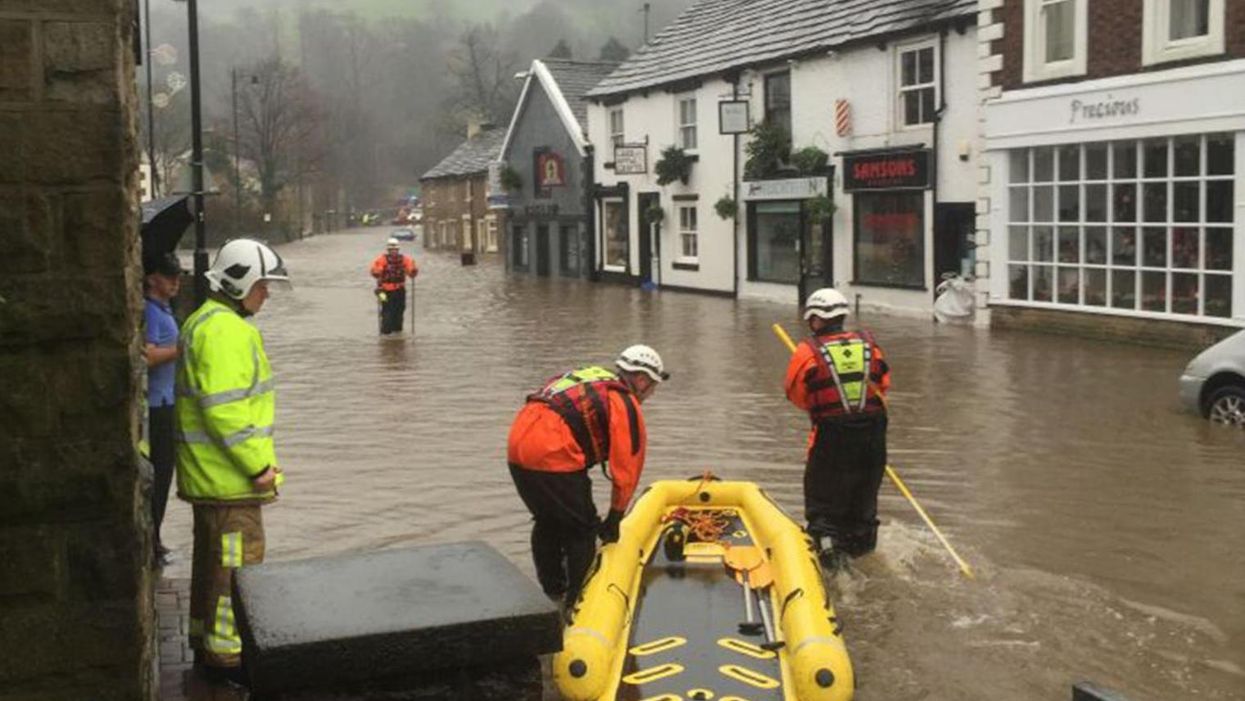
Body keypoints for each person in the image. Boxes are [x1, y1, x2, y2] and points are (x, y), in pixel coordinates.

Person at [175, 238, 289, 686]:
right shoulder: (226, 331)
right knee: (237, 576)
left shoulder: (202, 321)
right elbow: (225, 411)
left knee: (210, 567)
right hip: (231, 483)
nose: (267, 293)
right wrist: (257, 467)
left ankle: (206, 645)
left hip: (209, 481)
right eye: (262, 284)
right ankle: (229, 658)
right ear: (239, 281)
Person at [508, 345, 668, 607]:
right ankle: (576, 604)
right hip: (552, 452)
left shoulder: (590, 376)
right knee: (582, 530)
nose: (650, 394)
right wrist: (615, 517)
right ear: (641, 379)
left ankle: (551, 592)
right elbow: (627, 468)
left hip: (518, 445)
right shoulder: (623, 400)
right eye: (652, 387)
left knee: (547, 521)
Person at [784, 288, 890, 569]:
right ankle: (863, 556)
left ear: (815, 319)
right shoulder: (870, 345)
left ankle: (833, 572)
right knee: (863, 507)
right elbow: (883, 385)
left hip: (831, 438)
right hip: (873, 439)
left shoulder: (806, 352)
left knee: (823, 511)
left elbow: (797, 395)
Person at [143, 252, 184, 567]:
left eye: (178, 277)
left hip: (168, 402)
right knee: (159, 475)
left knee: (165, 475)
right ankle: (153, 540)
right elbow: (148, 356)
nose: (176, 282)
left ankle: (155, 537)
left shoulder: (163, 309)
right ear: (152, 277)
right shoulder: (150, 312)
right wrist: (178, 351)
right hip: (158, 406)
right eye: (170, 277)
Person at [370, 238, 418, 335]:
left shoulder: (404, 259)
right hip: (383, 291)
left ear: (398, 250)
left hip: (400, 290)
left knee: (399, 310)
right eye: (391, 250)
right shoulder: (382, 259)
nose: (393, 251)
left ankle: (397, 332)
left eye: (395, 249)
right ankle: (386, 332)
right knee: (387, 311)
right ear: (388, 250)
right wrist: (376, 272)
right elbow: (375, 269)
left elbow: (410, 270)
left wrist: (413, 271)